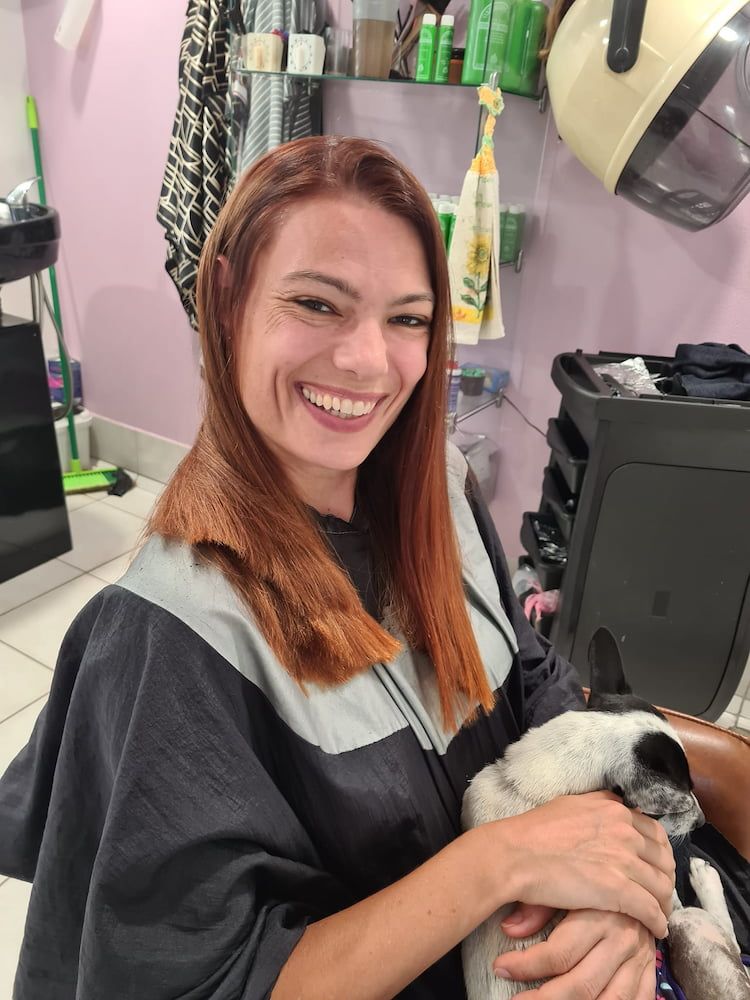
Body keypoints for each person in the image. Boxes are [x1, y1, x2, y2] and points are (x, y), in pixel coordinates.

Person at [0, 136, 675, 1000]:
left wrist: (608, 892)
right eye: (317, 303)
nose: (367, 360)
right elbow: (203, 980)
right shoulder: (168, 638)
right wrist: (498, 863)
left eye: (407, 318)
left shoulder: (439, 484)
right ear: (228, 302)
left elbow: (528, 681)